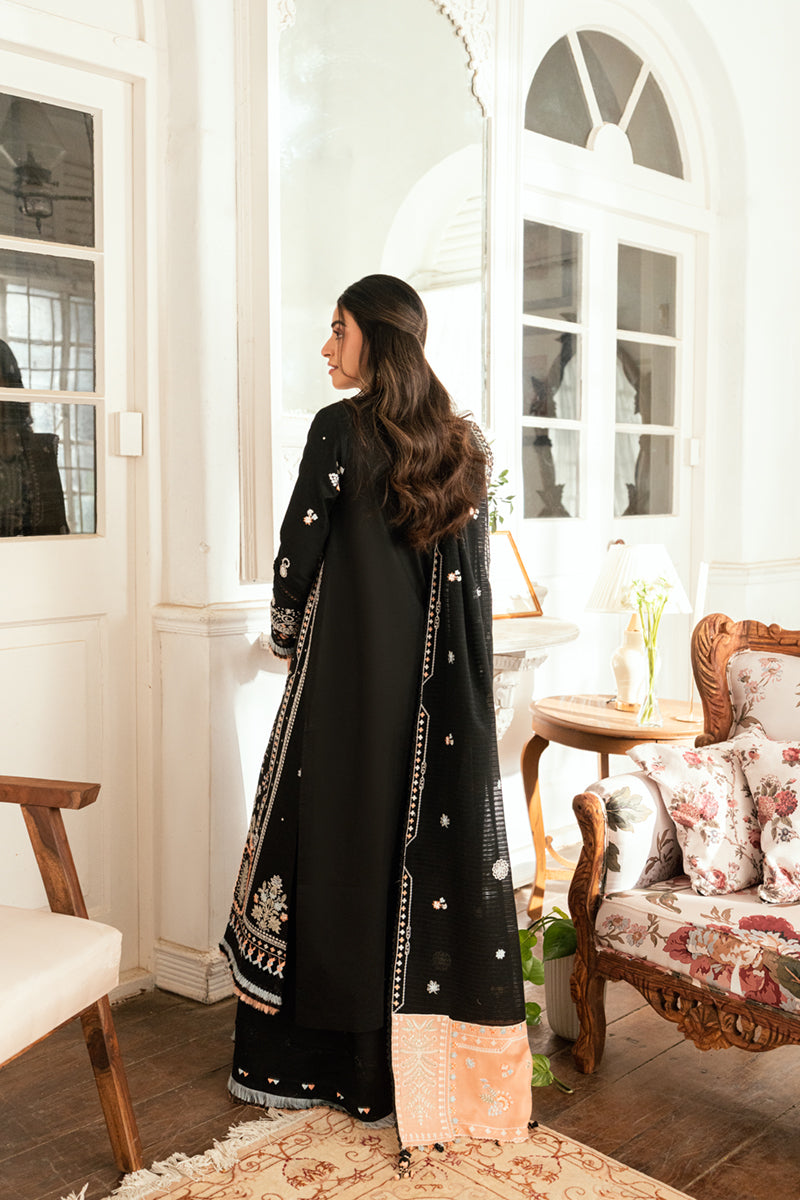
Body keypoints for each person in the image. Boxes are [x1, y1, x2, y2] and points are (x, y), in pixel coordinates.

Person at [220, 274, 532, 1155]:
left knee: (331, 851)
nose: (326, 347)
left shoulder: (340, 429)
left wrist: (287, 632)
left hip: (344, 690)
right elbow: (473, 589)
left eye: (339, 330)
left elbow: (299, 551)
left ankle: (315, 1068)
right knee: (404, 863)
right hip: (431, 708)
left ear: (377, 339)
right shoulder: (461, 445)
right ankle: (408, 1080)